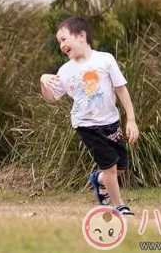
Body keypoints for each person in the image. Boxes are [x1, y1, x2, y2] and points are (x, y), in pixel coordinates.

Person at [40, 16, 139, 216]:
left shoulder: (105, 59)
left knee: (120, 166)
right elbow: (51, 99)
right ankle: (119, 205)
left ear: (81, 36)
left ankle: (99, 180)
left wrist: (131, 119)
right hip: (86, 125)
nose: (62, 45)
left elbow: (121, 89)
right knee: (110, 166)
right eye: (60, 42)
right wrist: (43, 81)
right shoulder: (65, 71)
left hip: (111, 122)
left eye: (64, 39)